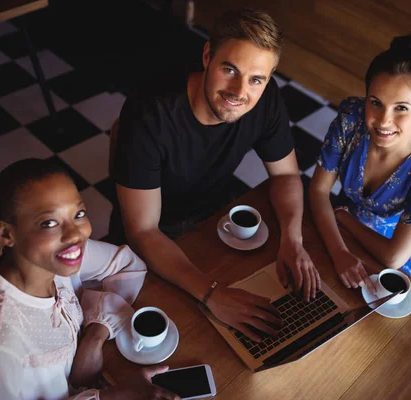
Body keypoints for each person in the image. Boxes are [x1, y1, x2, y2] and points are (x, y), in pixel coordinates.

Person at [109, 9, 320, 342]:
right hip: (147, 244)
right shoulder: (151, 112)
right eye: (230, 70)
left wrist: (292, 240)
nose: (240, 91)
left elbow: (286, 177)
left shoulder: (265, 100)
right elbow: (143, 231)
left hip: (209, 225)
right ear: (208, 56)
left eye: (256, 79)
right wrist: (211, 293)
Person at [0, 158, 179, 400]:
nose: (75, 234)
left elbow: (127, 265)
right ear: (7, 234)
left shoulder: (42, 256)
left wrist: (96, 334)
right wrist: (112, 397)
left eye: (79, 214)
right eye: (49, 223)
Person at [309, 32, 411, 292]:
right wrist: (339, 251)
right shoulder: (350, 120)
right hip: (334, 233)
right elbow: (318, 190)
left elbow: (394, 257)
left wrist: (345, 218)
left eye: (401, 108)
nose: (383, 121)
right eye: (375, 102)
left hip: (387, 256)